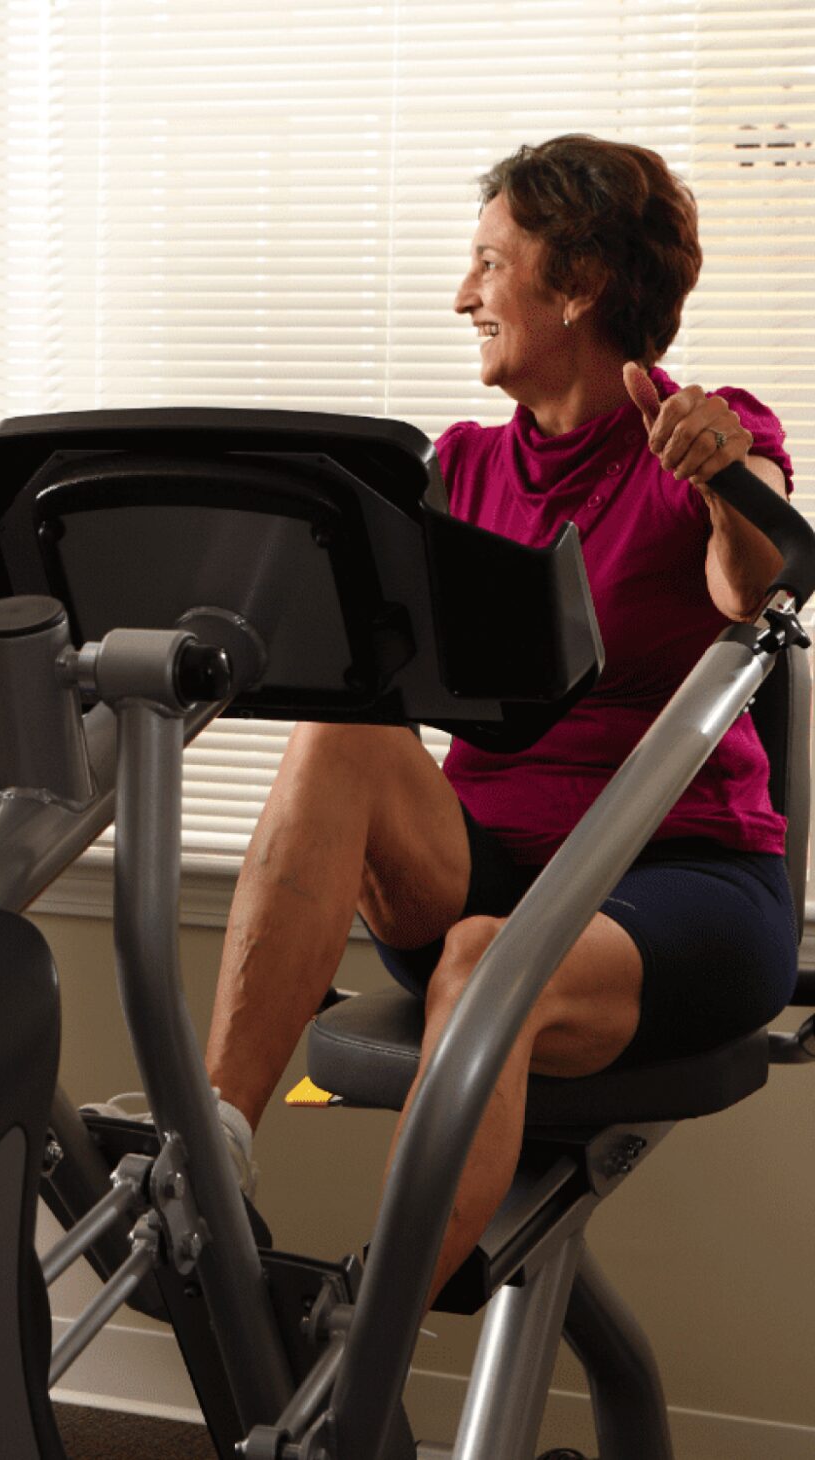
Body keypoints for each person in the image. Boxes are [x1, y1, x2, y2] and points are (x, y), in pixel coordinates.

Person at [202, 134, 798, 1303]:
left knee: (484, 962)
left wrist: (724, 484)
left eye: (488, 263)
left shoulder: (705, 429)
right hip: (479, 863)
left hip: (678, 883)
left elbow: (757, 586)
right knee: (345, 727)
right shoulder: (459, 468)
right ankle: (210, 1149)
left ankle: (363, 1339)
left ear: (574, 284)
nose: (461, 294)